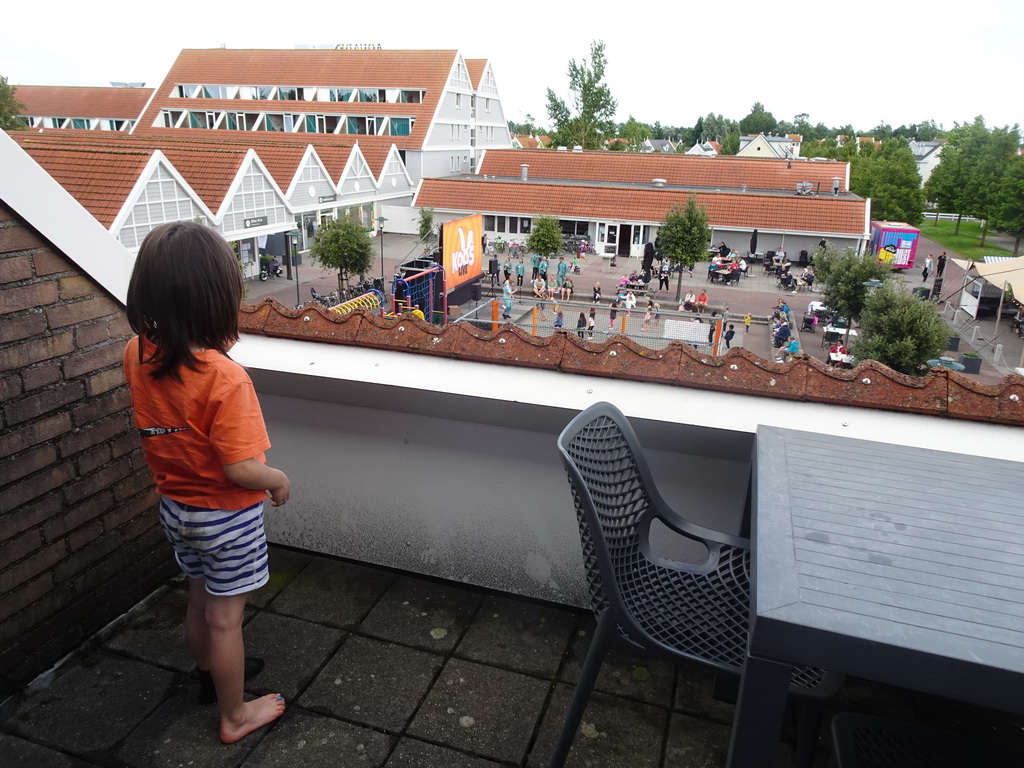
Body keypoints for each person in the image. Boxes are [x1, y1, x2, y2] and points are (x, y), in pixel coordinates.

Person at [123, 222, 287, 745]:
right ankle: (235, 714)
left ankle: (207, 678)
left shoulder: (137, 352)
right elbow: (242, 468)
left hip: (177, 509)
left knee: (199, 599)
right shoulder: (224, 377)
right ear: (218, 298)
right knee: (224, 619)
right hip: (226, 517)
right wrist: (278, 480)